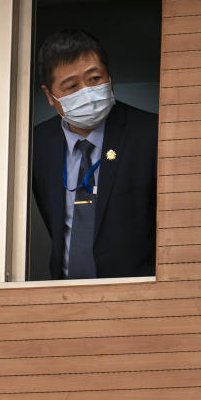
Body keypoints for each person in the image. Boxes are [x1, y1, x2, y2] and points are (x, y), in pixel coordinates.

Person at [31, 29, 157, 279]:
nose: (86, 92)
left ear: (110, 77)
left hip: (138, 297)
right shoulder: (37, 145)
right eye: (71, 86)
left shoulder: (150, 134)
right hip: (64, 297)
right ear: (49, 95)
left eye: (94, 79)